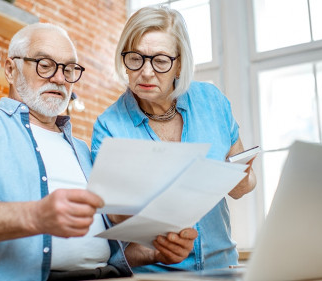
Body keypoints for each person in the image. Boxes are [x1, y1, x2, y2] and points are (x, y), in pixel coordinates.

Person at [0, 22, 197, 281]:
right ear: (10, 69)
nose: (59, 78)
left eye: (68, 69)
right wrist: (35, 216)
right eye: (45, 65)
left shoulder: (81, 149)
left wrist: (155, 252)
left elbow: (98, 247)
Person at [90, 6, 257, 272]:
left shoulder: (212, 101)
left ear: (179, 63)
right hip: (156, 275)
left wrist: (242, 177)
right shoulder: (109, 127)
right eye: (135, 58)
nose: (145, 72)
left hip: (223, 267)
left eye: (160, 61)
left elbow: (243, 183)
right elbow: (114, 223)